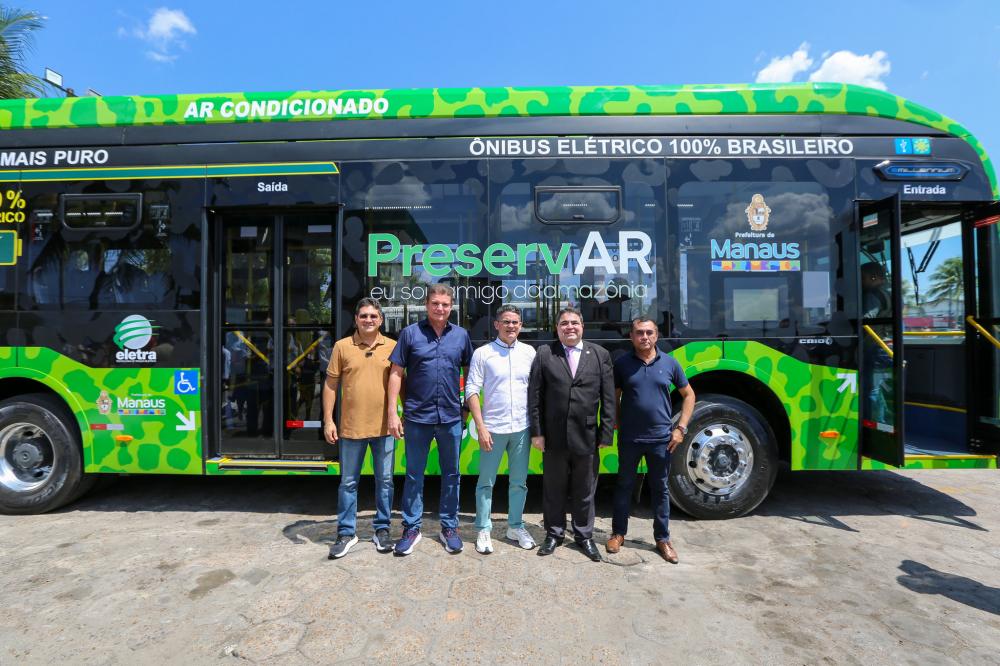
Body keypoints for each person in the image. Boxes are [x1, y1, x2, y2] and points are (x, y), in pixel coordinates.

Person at [387, 284, 474, 555]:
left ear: (452, 307)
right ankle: (412, 528)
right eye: (435, 303)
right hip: (416, 417)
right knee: (414, 475)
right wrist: (393, 412)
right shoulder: (410, 334)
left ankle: (449, 526)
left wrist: (467, 409)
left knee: (452, 475)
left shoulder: (461, 336)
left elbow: (471, 372)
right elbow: (395, 373)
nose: (440, 308)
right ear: (426, 305)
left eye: (445, 305)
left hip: (450, 417)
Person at [528, 307, 615, 562]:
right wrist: (537, 432)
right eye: (564, 323)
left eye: (574, 323)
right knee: (553, 488)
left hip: (587, 435)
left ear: (582, 326)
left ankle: (584, 536)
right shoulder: (545, 354)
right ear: (557, 328)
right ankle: (553, 534)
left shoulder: (599, 355)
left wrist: (606, 433)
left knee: (585, 489)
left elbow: (609, 399)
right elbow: (535, 397)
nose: (570, 327)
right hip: (553, 436)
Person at [607, 317, 695, 564]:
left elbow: (689, 395)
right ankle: (618, 534)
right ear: (631, 337)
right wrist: (616, 423)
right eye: (639, 333)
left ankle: (662, 539)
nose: (644, 337)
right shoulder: (622, 364)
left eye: (649, 333)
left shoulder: (670, 363)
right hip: (630, 439)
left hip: (662, 439)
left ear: (656, 336)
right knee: (624, 486)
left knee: (660, 489)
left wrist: (681, 428)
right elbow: (614, 397)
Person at [323, 298, 397, 558]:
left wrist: (401, 416)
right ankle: (346, 532)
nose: (368, 320)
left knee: (385, 482)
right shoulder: (342, 347)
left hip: (384, 430)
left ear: (381, 320)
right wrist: (329, 420)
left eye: (373, 316)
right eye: (364, 316)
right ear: (356, 319)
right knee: (348, 482)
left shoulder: (392, 346)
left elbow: (401, 384)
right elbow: (331, 385)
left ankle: (382, 530)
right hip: (350, 429)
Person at [465, 305, 537, 554]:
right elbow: (471, 390)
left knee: (519, 482)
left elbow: (536, 392)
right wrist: (481, 427)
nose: (511, 326)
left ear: (521, 325)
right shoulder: (483, 353)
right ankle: (484, 529)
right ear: (496, 325)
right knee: (486, 482)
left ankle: (514, 526)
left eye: (515, 322)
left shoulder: (529, 353)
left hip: (522, 428)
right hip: (492, 429)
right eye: (506, 322)